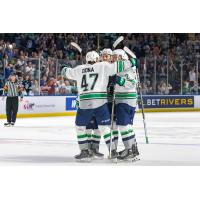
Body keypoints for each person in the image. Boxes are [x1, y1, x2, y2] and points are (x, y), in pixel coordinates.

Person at [61, 51, 132, 161]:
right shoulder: (103, 65)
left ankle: (84, 151)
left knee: (80, 127)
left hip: (85, 103)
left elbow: (65, 72)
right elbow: (118, 66)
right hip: (100, 102)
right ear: (97, 59)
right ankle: (112, 151)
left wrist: (65, 67)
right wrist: (131, 62)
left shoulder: (79, 69)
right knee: (105, 128)